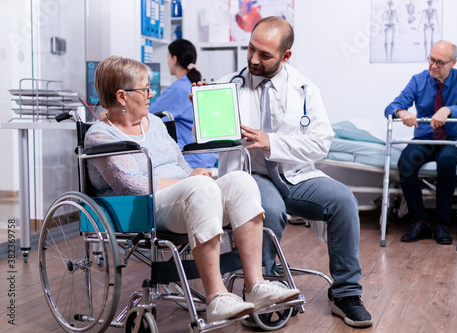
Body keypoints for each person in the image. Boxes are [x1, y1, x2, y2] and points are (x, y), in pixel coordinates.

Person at [85, 55, 300, 324]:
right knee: (200, 187)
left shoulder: (156, 123)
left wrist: (192, 176)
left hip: (186, 197)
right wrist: (189, 182)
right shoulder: (100, 136)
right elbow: (133, 185)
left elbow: (179, 163)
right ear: (122, 96)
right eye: (145, 88)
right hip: (143, 208)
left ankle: (254, 285)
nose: (151, 93)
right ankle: (216, 297)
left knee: (241, 181)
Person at [214, 16, 372, 328]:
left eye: (265, 55)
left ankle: (346, 294)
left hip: (295, 174)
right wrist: (204, 108)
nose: (253, 60)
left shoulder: (305, 89)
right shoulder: (225, 86)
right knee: (266, 209)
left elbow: (320, 144)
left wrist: (271, 141)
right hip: (252, 176)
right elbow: (209, 138)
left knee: (343, 201)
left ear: (286, 56)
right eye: (251, 50)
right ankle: (261, 289)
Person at [385, 40, 457, 245]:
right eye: (431, 59)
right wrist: (402, 112)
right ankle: (420, 222)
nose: (433, 66)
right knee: (406, 164)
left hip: (451, 139)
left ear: (453, 63)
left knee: (446, 164)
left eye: (439, 62)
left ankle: (441, 224)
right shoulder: (418, 80)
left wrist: (449, 110)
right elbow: (392, 106)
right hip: (425, 138)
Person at [149, 38, 217, 169]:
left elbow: (147, 115)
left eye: (168, 57)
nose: (168, 61)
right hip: (207, 159)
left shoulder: (179, 89)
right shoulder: (195, 84)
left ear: (174, 59)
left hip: (190, 161)